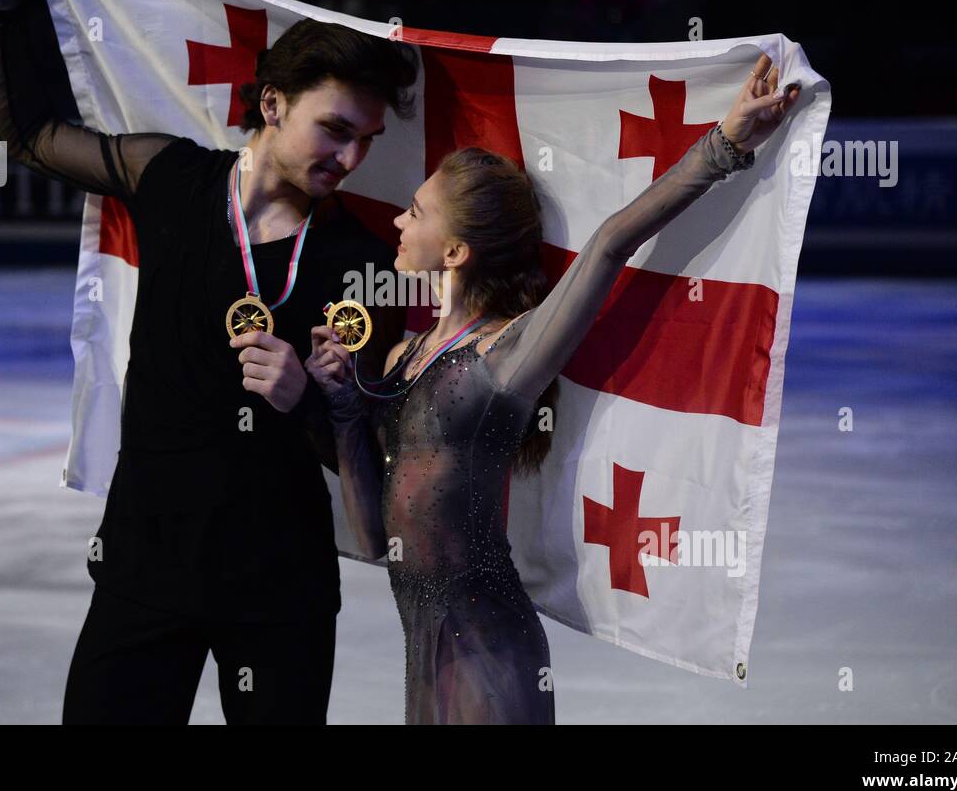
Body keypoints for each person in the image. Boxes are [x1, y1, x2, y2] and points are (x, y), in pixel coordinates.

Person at [0, 0, 415, 723]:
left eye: (368, 139)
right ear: (273, 103)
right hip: (146, 568)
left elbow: (366, 448)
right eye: (336, 129)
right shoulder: (170, 179)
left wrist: (304, 403)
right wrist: (3, 3)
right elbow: (32, 134)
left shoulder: (361, 260)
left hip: (278, 586)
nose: (351, 159)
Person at [306, 58, 799, 724]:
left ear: (454, 252)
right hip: (422, 660)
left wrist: (726, 144)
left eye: (416, 212)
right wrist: (341, 408)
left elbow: (607, 244)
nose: (398, 220)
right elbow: (371, 539)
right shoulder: (402, 355)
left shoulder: (504, 356)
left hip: (491, 656)